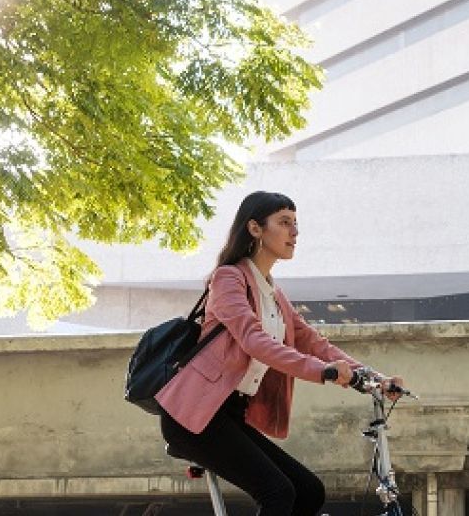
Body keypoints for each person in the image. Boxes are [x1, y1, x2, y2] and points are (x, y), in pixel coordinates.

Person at [156, 191, 405, 516]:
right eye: (284, 223)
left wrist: (376, 378)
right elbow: (254, 340)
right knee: (278, 493)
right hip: (193, 415)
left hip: (228, 415)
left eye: (296, 224)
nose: (294, 232)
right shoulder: (228, 279)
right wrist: (323, 371)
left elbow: (313, 342)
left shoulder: (272, 294)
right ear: (256, 229)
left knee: (309, 492)